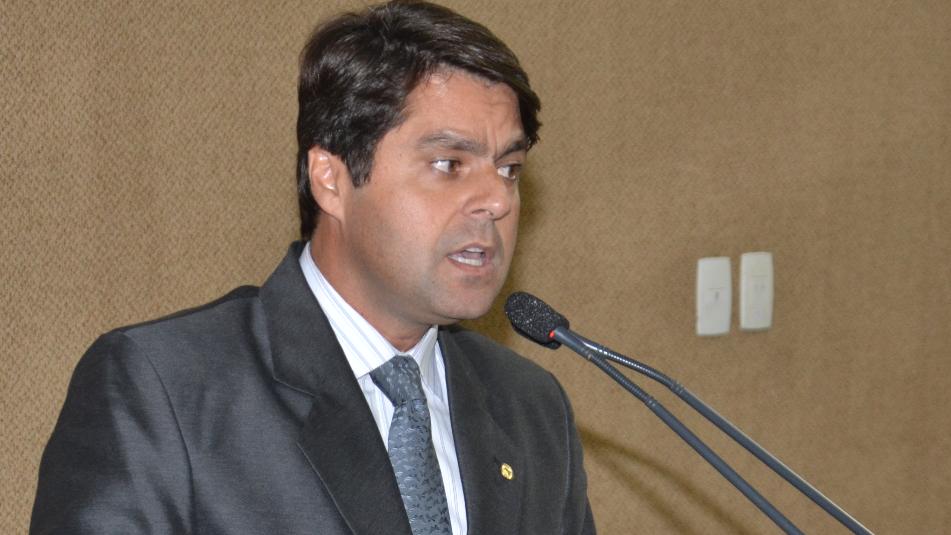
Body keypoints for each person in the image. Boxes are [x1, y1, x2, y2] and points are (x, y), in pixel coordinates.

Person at [30, 1, 594, 534]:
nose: (496, 200)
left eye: (510, 169)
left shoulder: (531, 408)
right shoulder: (164, 388)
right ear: (331, 178)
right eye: (449, 164)